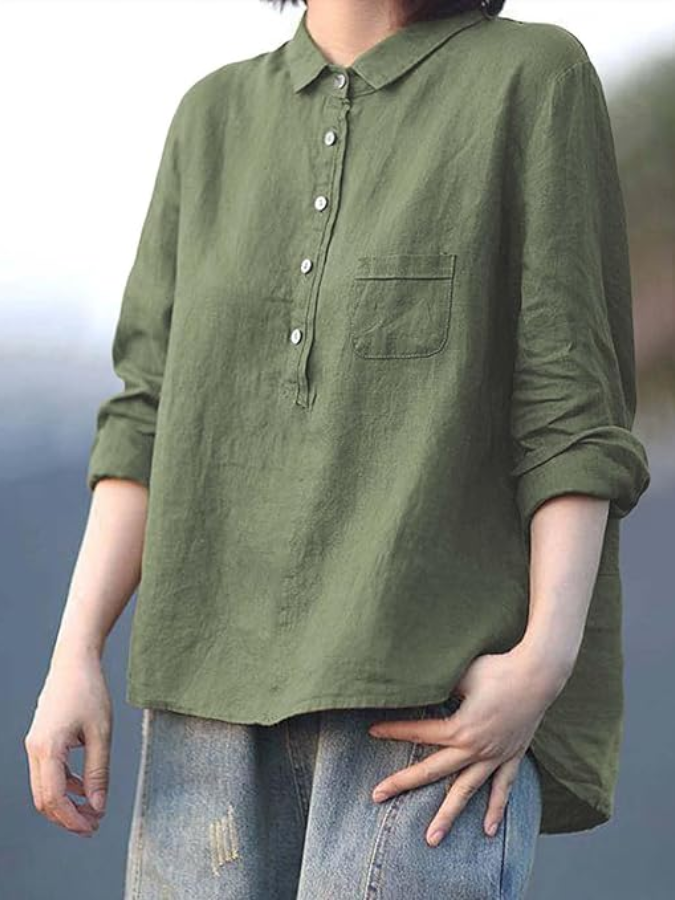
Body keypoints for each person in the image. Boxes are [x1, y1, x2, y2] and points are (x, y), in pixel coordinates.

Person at [24, 0, 651, 896]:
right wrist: (75, 653)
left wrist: (541, 663)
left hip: (428, 704)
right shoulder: (211, 117)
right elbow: (147, 414)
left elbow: (568, 398)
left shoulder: (532, 77)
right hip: (202, 702)